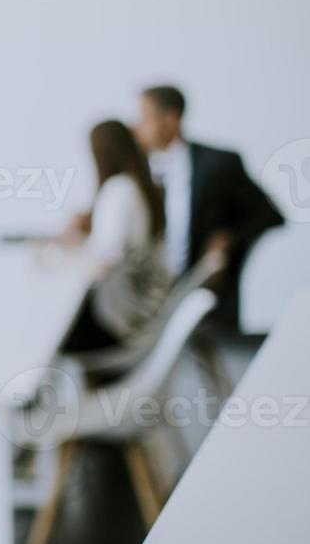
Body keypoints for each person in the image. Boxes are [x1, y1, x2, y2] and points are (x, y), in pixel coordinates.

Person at [135, 85, 284, 332]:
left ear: (170, 119)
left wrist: (229, 238)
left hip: (202, 292)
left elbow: (269, 214)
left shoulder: (218, 164)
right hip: (149, 295)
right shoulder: (139, 170)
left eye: (144, 118)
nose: (137, 127)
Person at [60, 120, 171, 353]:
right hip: (138, 310)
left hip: (117, 322)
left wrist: (55, 257)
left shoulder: (118, 191)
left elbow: (105, 262)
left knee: (53, 327)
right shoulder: (140, 187)